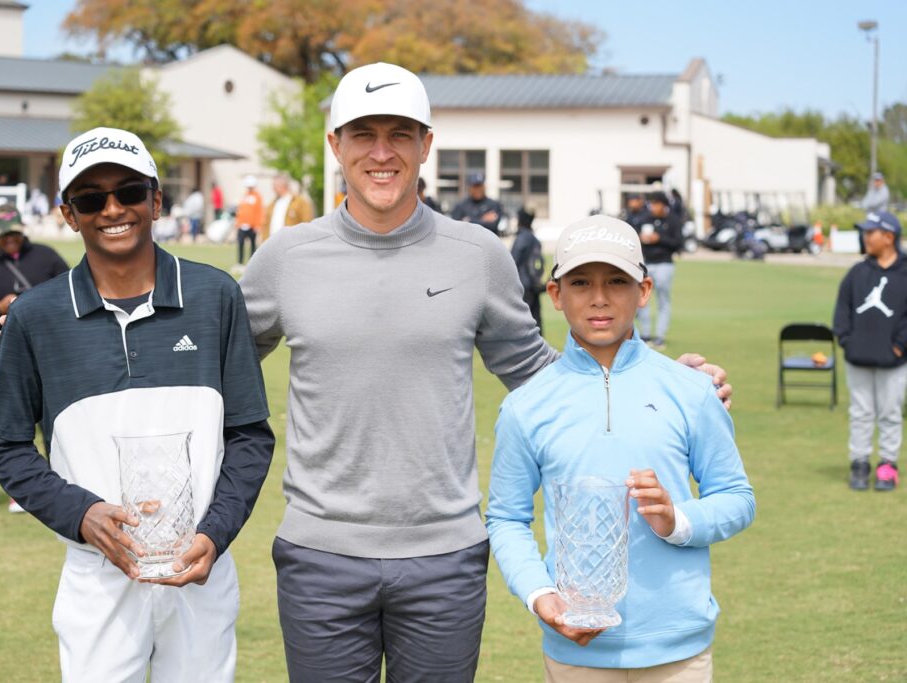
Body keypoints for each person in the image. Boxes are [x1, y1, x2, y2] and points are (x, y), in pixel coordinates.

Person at [240, 62, 732, 682]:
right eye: (363, 134)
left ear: (427, 145)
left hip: (445, 559)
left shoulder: (478, 254)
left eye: (401, 134)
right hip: (321, 557)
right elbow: (216, 369)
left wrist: (664, 381)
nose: (382, 153)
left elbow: (542, 375)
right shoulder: (285, 258)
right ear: (336, 145)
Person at [0, 126, 274, 680]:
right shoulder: (35, 317)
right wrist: (82, 515)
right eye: (91, 199)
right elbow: (7, 446)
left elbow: (250, 436)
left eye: (130, 192)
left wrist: (215, 533)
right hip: (98, 577)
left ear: (156, 200)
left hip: (199, 571)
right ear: (69, 214)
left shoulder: (215, 296)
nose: (113, 208)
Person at [486, 215, 755, 682]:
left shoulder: (690, 390)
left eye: (617, 281)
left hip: (679, 653)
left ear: (644, 290)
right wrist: (538, 593)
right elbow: (507, 517)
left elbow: (737, 497)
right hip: (577, 653)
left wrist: (679, 521)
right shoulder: (526, 407)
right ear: (555, 295)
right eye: (580, 282)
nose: (599, 298)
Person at [0, 207, 69, 512]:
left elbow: (72, 292)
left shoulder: (47, 256)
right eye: (4, 236)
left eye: (14, 234)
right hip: (2, 354)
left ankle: (66, 485)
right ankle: (25, 493)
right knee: (16, 429)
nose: (10, 241)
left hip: (51, 352)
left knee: (57, 425)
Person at [833, 211, 907, 491]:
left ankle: (888, 465)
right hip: (858, 357)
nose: (865, 237)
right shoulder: (858, 272)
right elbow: (843, 310)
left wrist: (901, 345)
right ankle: (860, 462)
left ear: (889, 237)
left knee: (890, 412)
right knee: (861, 412)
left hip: (894, 361)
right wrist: (846, 339)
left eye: (870, 232)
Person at [635, 191, 684, 348]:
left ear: (664, 205)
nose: (653, 207)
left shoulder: (673, 220)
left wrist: (660, 238)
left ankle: (660, 336)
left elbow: (678, 243)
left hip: (664, 263)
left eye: (656, 203)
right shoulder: (644, 219)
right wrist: (642, 239)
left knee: (663, 300)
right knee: (642, 299)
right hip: (646, 263)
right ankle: (645, 334)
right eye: (651, 203)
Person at [511, 207, 544, 333]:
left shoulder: (522, 238)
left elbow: (512, 261)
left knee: (522, 324)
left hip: (523, 286)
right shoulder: (534, 238)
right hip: (534, 285)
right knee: (536, 322)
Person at [264, 172, 313, 241]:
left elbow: (307, 223)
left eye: (274, 186)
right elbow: (265, 225)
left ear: (282, 186)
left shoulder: (300, 202)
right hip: (273, 244)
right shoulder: (272, 204)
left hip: (291, 244)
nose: (273, 189)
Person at [235, 175, 263, 264]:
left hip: (252, 225)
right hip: (242, 225)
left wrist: (258, 225)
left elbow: (259, 211)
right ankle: (240, 262)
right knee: (240, 244)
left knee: (253, 245)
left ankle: (252, 263)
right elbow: (240, 210)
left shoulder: (257, 197)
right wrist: (238, 222)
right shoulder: (244, 196)